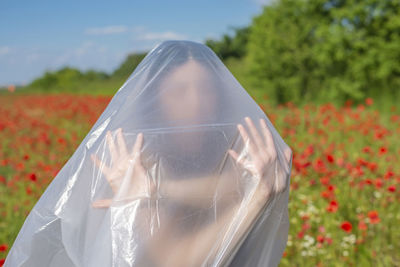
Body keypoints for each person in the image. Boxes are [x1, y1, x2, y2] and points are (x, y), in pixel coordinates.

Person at [4, 40, 292, 267]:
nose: (196, 103)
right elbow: (175, 262)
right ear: (157, 101)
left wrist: (161, 190)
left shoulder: (235, 148)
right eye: (179, 91)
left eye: (206, 90)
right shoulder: (140, 160)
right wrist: (255, 200)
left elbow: (232, 187)